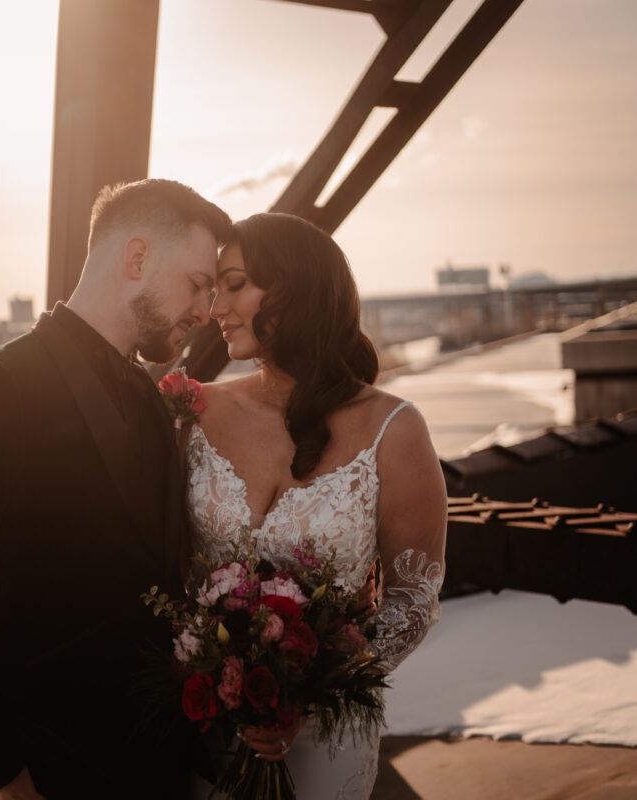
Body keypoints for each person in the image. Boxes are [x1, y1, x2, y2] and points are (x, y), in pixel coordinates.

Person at [0, 179, 231, 800]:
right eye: (198, 284)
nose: (204, 311)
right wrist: (3, 771)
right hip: (52, 773)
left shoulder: (151, 399)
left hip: (165, 768)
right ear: (137, 258)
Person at [185, 213, 447, 798]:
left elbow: (412, 601)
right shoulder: (194, 411)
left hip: (330, 736)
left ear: (293, 288)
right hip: (205, 726)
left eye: (234, 284)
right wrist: (213, 673)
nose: (214, 308)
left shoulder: (393, 428)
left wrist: (310, 691)